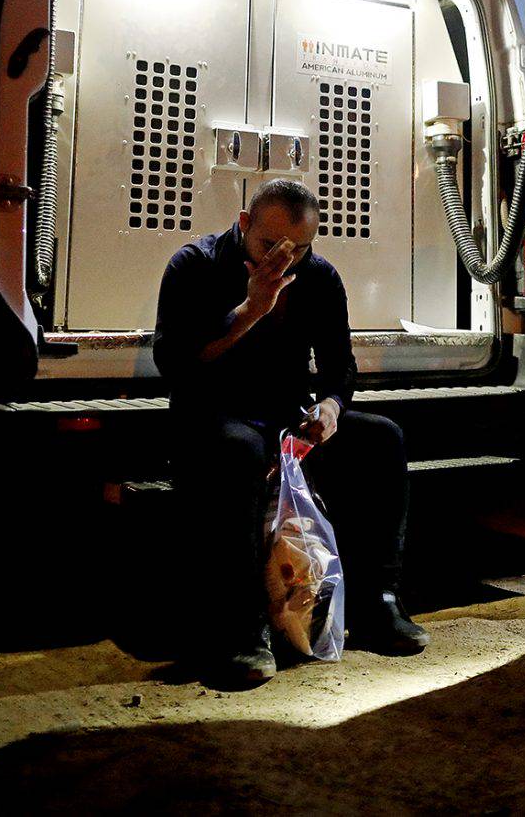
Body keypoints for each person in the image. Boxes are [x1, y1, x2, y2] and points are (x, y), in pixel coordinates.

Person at [154, 178, 427, 687]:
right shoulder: (195, 265)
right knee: (239, 450)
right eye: (270, 245)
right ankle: (241, 627)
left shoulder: (318, 277)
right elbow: (176, 364)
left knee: (382, 439)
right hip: (213, 415)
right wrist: (251, 309)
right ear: (242, 225)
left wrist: (330, 406)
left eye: (299, 248)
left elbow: (339, 366)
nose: (286, 258)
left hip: (284, 416)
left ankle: (379, 602)